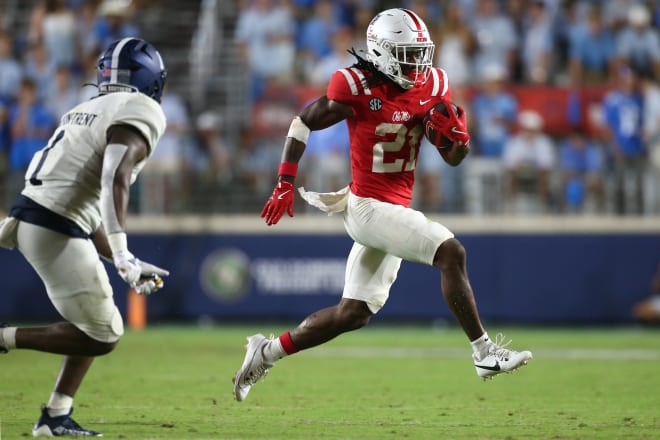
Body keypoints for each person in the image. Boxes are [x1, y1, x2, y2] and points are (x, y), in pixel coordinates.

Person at [233, 8, 532, 402]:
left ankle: (265, 352)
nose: (419, 63)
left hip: (392, 207)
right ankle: (483, 352)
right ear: (382, 52)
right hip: (367, 206)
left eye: (421, 52)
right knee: (451, 252)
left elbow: (453, 158)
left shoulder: (435, 82)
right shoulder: (355, 85)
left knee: (352, 313)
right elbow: (302, 121)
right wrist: (285, 181)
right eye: (408, 54)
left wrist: (459, 141)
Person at [0, 37, 169, 437]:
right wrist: (124, 252)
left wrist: (121, 258)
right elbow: (115, 176)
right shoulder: (140, 107)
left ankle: (55, 415)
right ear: (151, 80)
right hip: (53, 224)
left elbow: (86, 202)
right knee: (104, 333)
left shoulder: (84, 109)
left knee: (94, 322)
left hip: (39, 219)